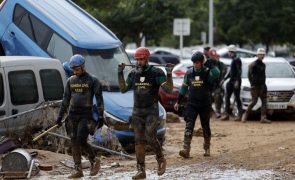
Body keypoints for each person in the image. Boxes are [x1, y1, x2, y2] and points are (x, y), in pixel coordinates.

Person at [118, 47, 174, 179]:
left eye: (141, 59)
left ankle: (160, 159)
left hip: (151, 111)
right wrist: (120, 73)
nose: (139, 62)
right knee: (138, 141)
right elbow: (123, 89)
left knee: (150, 138)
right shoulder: (133, 73)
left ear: (147, 59)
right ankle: (140, 170)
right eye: (137, 59)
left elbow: (169, 90)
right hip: (137, 112)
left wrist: (169, 74)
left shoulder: (156, 72)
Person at [56, 54, 104, 178]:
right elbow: (65, 100)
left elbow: (99, 100)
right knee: (73, 142)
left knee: (81, 140)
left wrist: (101, 116)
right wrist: (60, 117)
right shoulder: (70, 81)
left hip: (86, 115)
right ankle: (78, 170)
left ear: (83, 66)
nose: (75, 71)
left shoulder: (93, 80)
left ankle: (94, 160)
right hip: (72, 115)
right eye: (73, 69)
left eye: (77, 69)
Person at [174, 51, 220, 158]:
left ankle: (207, 147)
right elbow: (184, 88)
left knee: (205, 125)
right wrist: (178, 101)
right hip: (192, 103)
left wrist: (210, 63)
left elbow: (217, 73)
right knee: (189, 125)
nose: (195, 64)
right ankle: (186, 149)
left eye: (198, 62)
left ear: (202, 62)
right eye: (194, 62)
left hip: (205, 103)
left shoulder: (207, 72)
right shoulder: (189, 73)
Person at [242, 48, 271, 123]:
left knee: (264, 102)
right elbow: (249, 75)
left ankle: (263, 118)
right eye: (260, 54)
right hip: (255, 86)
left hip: (262, 86)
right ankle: (245, 114)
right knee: (254, 102)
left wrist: (264, 85)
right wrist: (252, 84)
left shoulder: (263, 65)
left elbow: (263, 76)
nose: (262, 56)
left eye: (263, 54)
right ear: (257, 55)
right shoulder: (253, 64)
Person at [221, 45, 243, 121]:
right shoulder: (233, 60)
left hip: (236, 81)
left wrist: (237, 81)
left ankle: (240, 115)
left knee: (237, 98)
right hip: (231, 81)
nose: (228, 54)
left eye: (229, 52)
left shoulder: (237, 60)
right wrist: (224, 79)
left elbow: (239, 71)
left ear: (231, 52)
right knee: (227, 97)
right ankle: (226, 114)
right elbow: (230, 72)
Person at [205, 49, 227, 118]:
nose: (213, 57)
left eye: (214, 55)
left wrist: (222, 79)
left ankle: (217, 111)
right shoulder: (206, 63)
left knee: (217, 95)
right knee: (206, 96)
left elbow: (224, 71)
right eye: (212, 55)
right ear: (209, 55)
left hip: (217, 84)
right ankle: (208, 111)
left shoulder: (220, 64)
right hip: (208, 84)